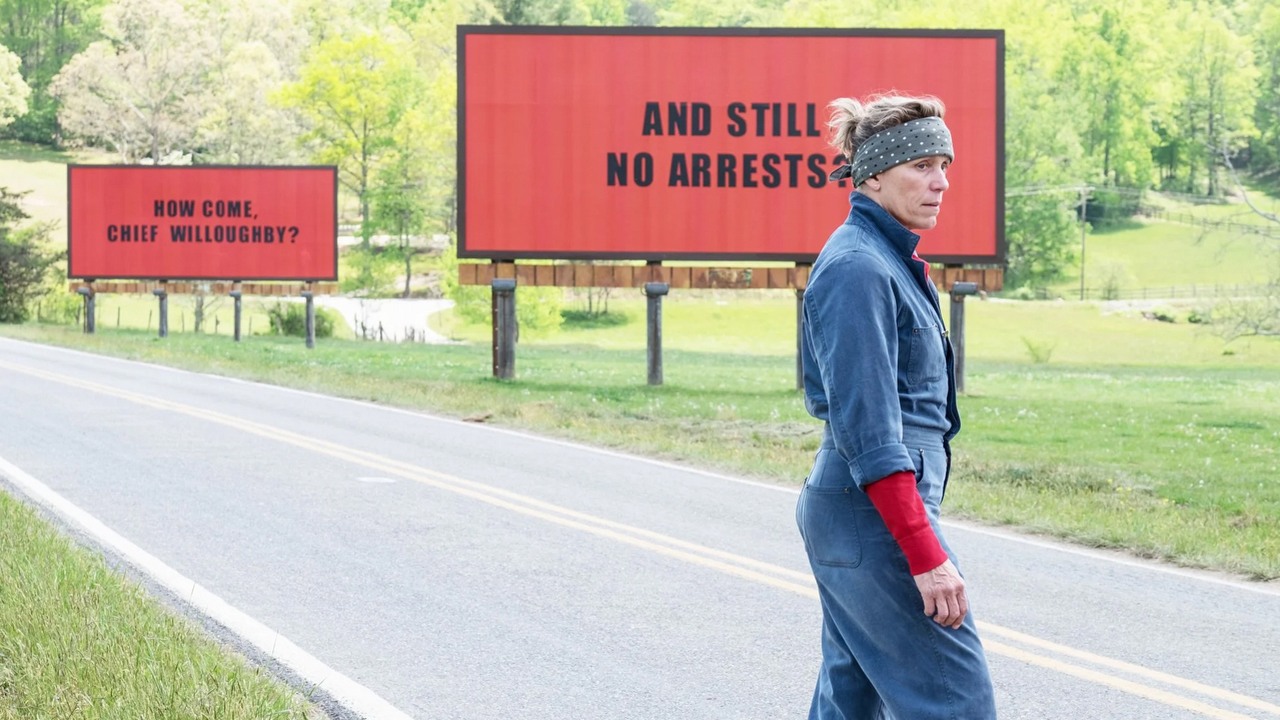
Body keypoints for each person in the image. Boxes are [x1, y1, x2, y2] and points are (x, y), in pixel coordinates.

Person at [796, 93, 997, 719]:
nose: (940, 182)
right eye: (922, 165)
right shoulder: (858, 268)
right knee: (954, 701)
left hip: (862, 514)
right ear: (874, 176)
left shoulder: (886, 258)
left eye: (945, 165)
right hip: (873, 514)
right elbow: (871, 432)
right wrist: (926, 554)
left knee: (849, 701)